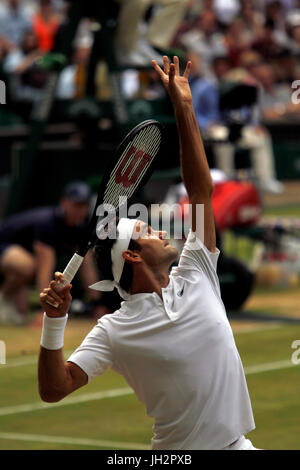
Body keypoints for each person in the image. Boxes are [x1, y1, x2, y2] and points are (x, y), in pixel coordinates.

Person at [38, 56, 258, 450]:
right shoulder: (113, 330)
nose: (160, 231)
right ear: (132, 255)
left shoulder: (197, 271)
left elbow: (200, 193)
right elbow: (55, 389)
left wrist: (184, 108)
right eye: (146, 231)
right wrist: (55, 322)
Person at [0, 181, 100, 324]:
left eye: (84, 206)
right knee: (27, 266)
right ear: (64, 203)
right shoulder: (47, 223)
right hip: (5, 246)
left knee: (21, 314)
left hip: (22, 257)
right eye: (76, 205)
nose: (80, 210)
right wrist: (45, 310)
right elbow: (44, 269)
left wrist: (98, 303)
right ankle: (4, 299)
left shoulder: (81, 228)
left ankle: (8, 301)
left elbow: (86, 265)